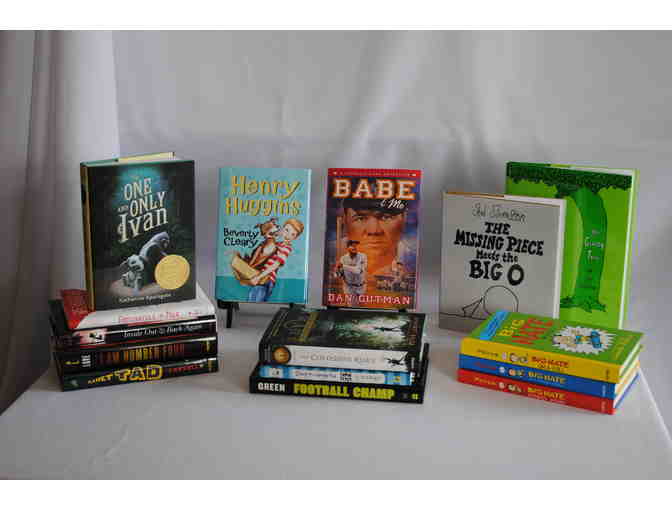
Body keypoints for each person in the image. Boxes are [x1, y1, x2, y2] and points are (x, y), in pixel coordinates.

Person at [248, 218, 304, 302]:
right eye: (287, 230)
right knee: (254, 300)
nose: (288, 235)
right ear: (282, 228)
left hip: (266, 279)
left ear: (295, 237)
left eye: (293, 234)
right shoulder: (277, 244)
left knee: (254, 301)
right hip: (262, 277)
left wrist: (259, 277)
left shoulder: (286, 248)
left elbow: (275, 265)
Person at [336, 239, 368, 305]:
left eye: (356, 245)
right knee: (352, 306)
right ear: (347, 248)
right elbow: (339, 274)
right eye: (352, 245)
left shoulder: (363, 256)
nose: (354, 247)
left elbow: (358, 271)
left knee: (361, 307)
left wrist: (343, 266)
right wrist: (337, 271)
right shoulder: (343, 258)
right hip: (349, 287)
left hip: (361, 287)